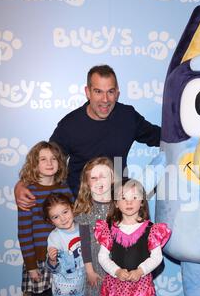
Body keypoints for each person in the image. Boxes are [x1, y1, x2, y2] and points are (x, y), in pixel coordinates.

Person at [15, 64, 161, 208]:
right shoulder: (69, 125)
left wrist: (183, 134)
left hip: (117, 206)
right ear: (88, 92)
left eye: (110, 92)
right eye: (98, 91)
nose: (105, 99)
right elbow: (49, 159)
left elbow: (160, 136)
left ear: (117, 93)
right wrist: (22, 184)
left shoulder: (128, 116)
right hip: (80, 206)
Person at [17, 141, 73, 296]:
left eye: (54, 159)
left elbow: (71, 224)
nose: (49, 163)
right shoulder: (28, 192)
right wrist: (30, 265)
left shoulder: (64, 188)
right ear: (34, 163)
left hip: (61, 259)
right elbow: (24, 231)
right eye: (43, 159)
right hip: (38, 261)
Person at [74, 156, 129, 296]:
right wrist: (89, 269)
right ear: (87, 183)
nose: (99, 181)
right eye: (93, 177)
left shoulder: (122, 205)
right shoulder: (86, 209)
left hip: (120, 269)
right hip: (97, 270)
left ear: (114, 178)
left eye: (104, 175)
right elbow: (85, 243)